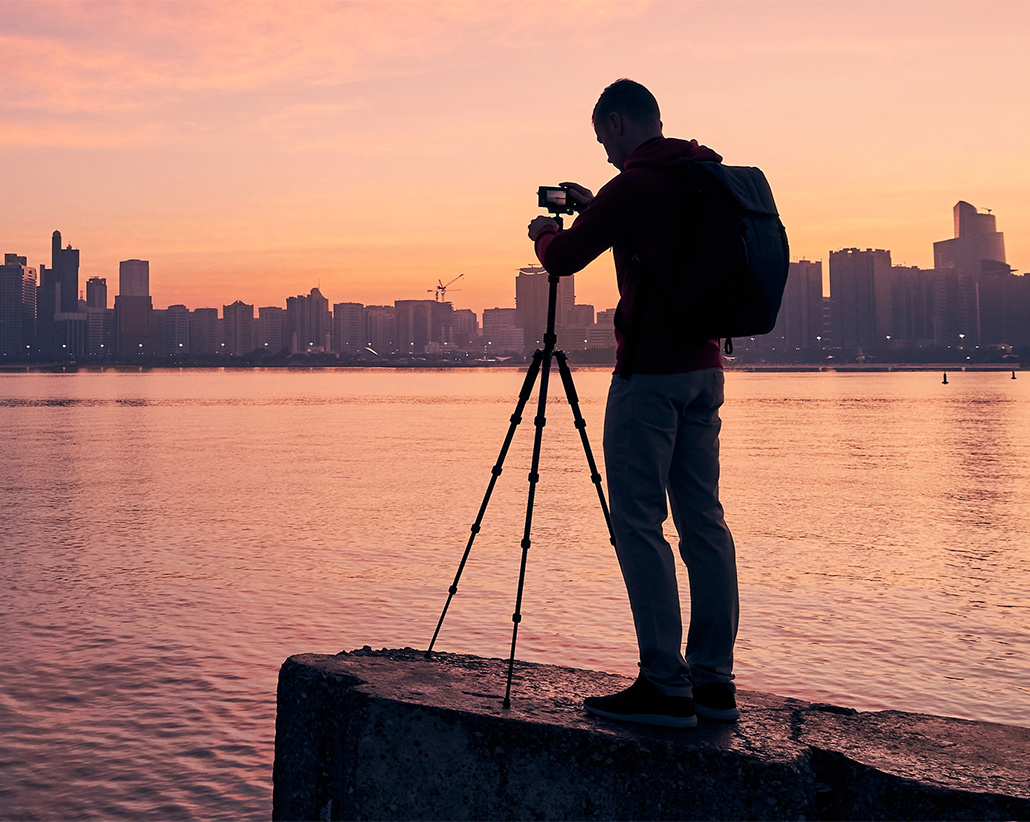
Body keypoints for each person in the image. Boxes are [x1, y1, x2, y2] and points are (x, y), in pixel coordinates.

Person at [527, 79, 739, 729]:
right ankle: (713, 682)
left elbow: (564, 258)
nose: (607, 156)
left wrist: (543, 232)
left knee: (639, 524)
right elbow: (658, 246)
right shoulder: (702, 175)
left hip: (650, 376)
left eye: (603, 141)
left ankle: (661, 683)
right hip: (705, 371)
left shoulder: (637, 185)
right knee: (703, 522)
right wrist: (602, 206)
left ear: (618, 124)